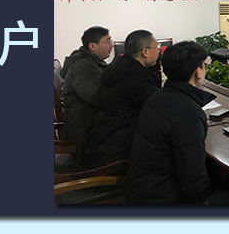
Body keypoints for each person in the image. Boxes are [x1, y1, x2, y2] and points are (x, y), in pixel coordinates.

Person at [126, 41, 216, 204]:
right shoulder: (187, 111)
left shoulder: (157, 97)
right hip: (162, 199)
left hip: (143, 187)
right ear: (198, 72)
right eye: (204, 67)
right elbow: (194, 181)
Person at [76, 30, 162, 171]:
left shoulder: (121, 68)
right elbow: (161, 104)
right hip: (117, 148)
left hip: (105, 137)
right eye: (157, 47)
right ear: (145, 52)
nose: (159, 51)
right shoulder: (135, 79)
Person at [59, 26, 114, 141]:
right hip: (84, 131)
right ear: (93, 46)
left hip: (91, 123)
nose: (112, 46)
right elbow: (100, 97)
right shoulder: (83, 66)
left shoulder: (91, 62)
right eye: (107, 41)